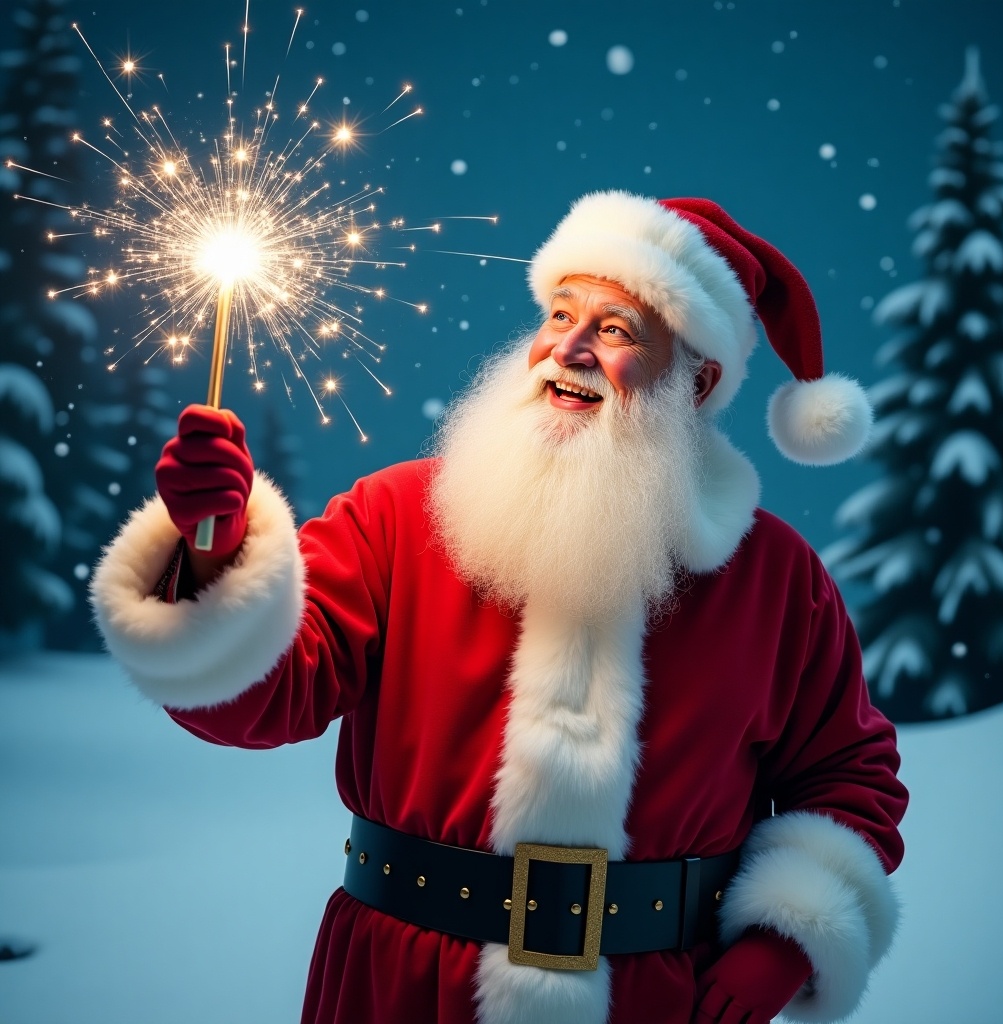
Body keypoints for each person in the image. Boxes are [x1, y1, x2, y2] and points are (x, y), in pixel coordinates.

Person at [91, 191, 908, 1024]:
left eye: (618, 329)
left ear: (696, 383)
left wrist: (790, 939)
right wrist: (211, 554)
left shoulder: (775, 578)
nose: (572, 348)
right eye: (560, 314)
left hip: (659, 1000)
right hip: (401, 988)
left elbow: (849, 778)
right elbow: (260, 700)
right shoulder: (397, 518)